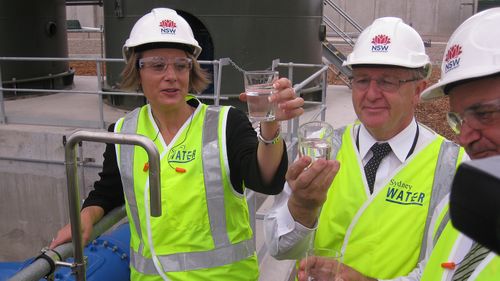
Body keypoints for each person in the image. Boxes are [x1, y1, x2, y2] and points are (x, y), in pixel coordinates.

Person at [50, 8, 304, 281]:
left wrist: (270, 126)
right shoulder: (123, 132)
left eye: (181, 65)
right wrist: (86, 216)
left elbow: (266, 180)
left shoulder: (226, 124)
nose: (171, 75)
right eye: (158, 65)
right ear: (137, 70)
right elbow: (109, 191)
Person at [264, 17, 466, 281]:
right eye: (361, 80)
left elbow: (447, 271)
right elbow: (280, 249)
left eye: (387, 82)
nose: (371, 94)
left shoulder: (451, 167)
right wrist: (302, 208)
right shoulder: (324, 147)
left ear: (418, 90)